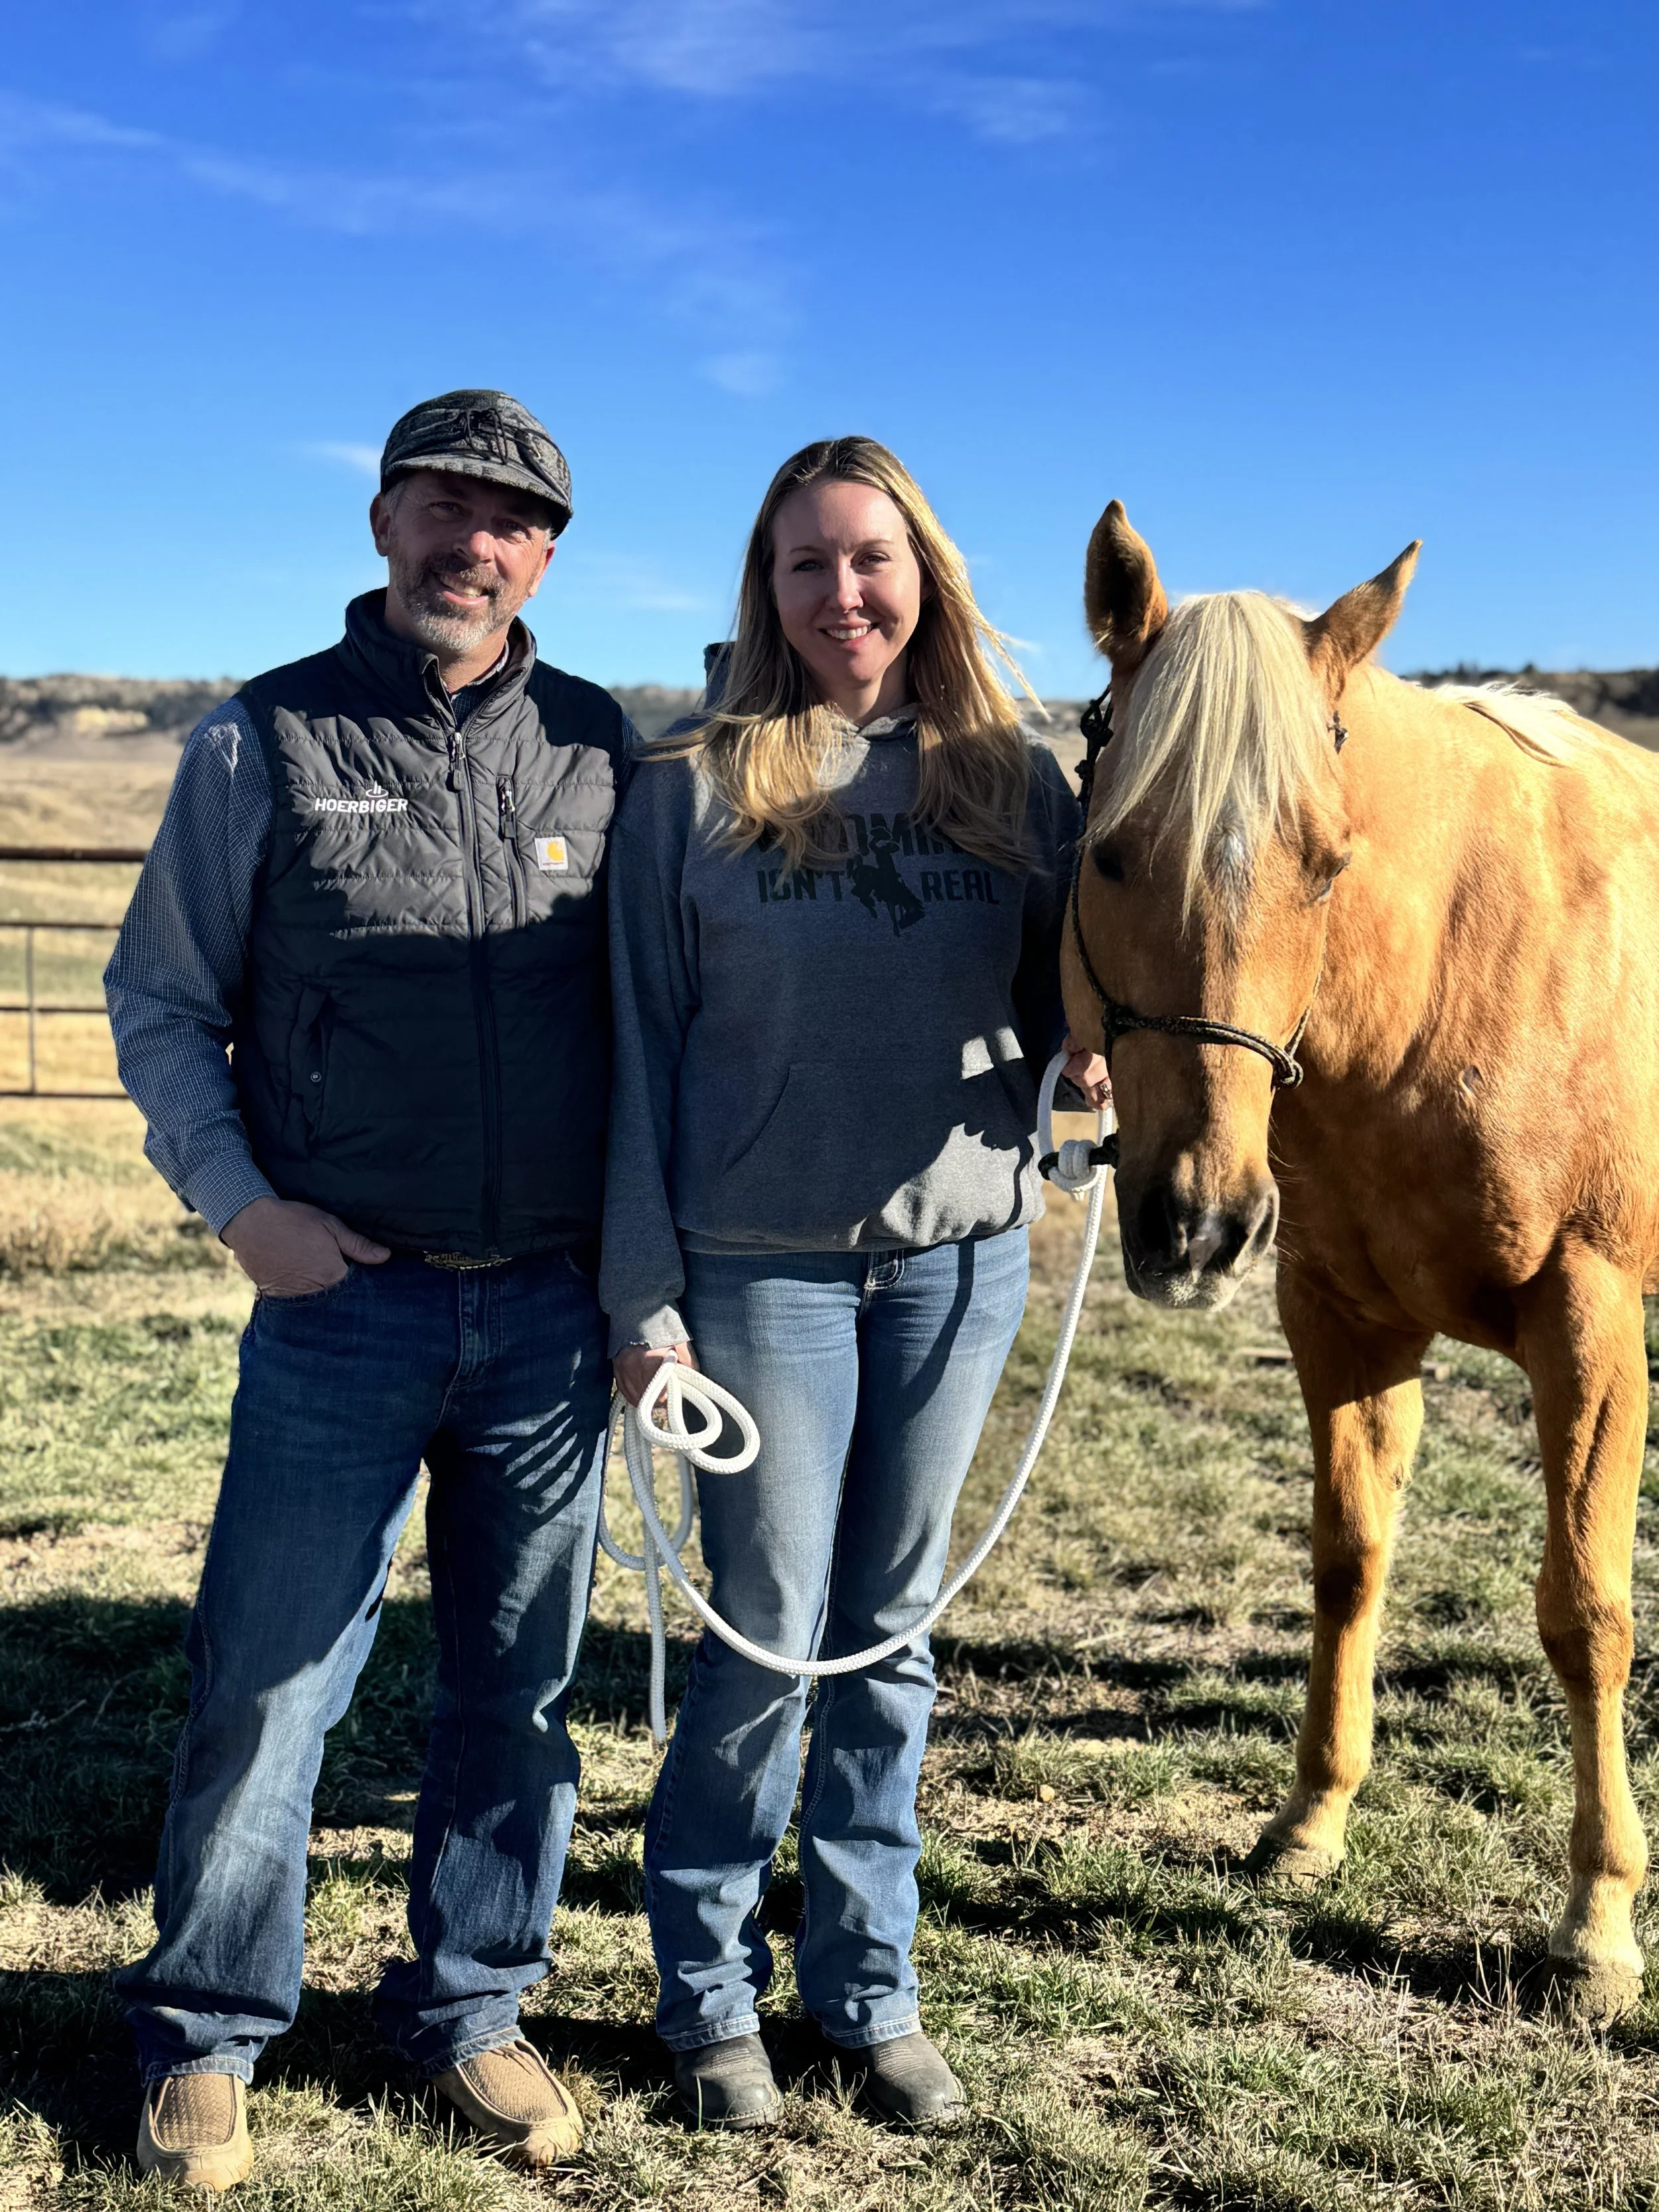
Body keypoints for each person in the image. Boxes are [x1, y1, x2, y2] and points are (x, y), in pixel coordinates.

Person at [104, 390, 630, 2190]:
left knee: (515, 1687)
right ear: (382, 517)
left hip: (550, 1316)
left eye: (509, 518)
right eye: (440, 502)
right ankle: (207, 2032)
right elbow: (164, 997)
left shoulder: (602, 752)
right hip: (343, 1302)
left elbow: (671, 1025)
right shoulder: (261, 743)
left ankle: (469, 2009)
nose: (468, 542)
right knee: (268, 1681)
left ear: (543, 554)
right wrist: (240, 1204)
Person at [602, 435, 1110, 2130]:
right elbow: (632, 1052)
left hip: (963, 1262)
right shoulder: (688, 783)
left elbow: (1071, 1006)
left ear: (923, 571)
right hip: (757, 1273)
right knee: (764, 1647)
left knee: (891, 1642)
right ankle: (704, 1996)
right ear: (767, 585)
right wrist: (641, 1294)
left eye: (869, 559)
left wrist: (1090, 1072)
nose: (842, 594)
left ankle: (867, 1988)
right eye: (806, 564)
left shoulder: (1012, 783)